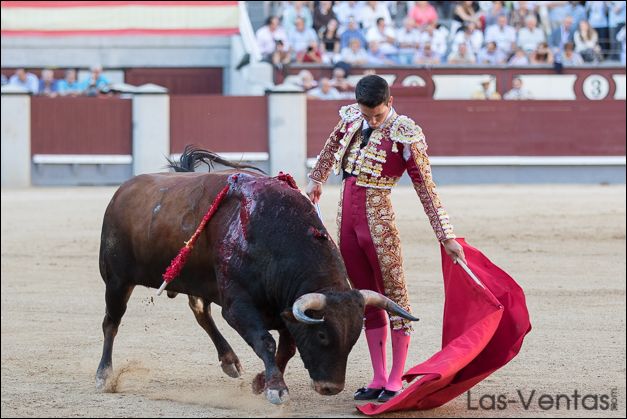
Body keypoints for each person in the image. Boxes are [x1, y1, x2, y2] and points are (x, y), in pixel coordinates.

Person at [305, 75, 465, 404]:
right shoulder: (352, 117)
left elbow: (426, 188)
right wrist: (317, 178)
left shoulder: (405, 133)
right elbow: (331, 146)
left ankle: (394, 379)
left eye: (378, 115)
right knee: (363, 298)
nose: (372, 121)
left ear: (390, 103)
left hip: (379, 224)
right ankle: (378, 376)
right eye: (367, 115)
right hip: (345, 220)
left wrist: (446, 235)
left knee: (393, 297)